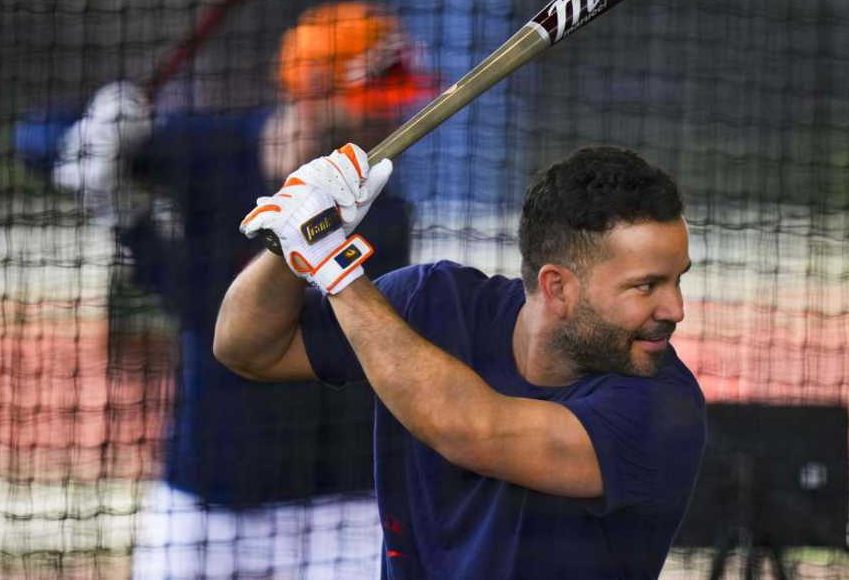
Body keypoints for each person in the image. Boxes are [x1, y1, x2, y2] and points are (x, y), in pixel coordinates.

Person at [15, 2, 433, 579]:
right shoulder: (212, 151)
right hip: (208, 486)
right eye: (371, 102)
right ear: (315, 91)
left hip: (336, 501)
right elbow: (31, 136)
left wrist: (128, 221)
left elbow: (231, 325)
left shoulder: (381, 212)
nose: (387, 118)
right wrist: (93, 136)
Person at [214, 142, 708, 579]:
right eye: (646, 286)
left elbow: (474, 431)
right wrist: (295, 238)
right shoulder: (428, 302)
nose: (675, 310)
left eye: (677, 279)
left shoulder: (663, 407)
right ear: (558, 288)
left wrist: (332, 264)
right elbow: (247, 348)